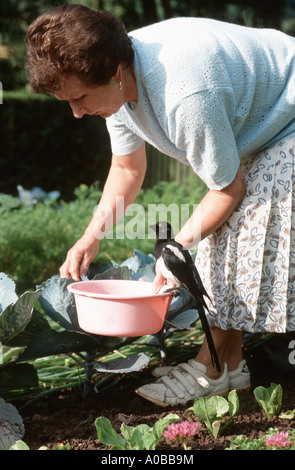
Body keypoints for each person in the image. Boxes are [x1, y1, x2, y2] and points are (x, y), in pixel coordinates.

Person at [26, 4, 295, 407]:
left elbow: (227, 191)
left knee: (242, 228)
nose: (77, 112)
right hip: (265, 123)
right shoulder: (117, 84)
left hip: (289, 116)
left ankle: (211, 367)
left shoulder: (186, 94)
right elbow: (127, 169)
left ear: (116, 72)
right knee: (221, 230)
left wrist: (173, 250)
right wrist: (90, 236)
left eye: (80, 98)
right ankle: (232, 364)